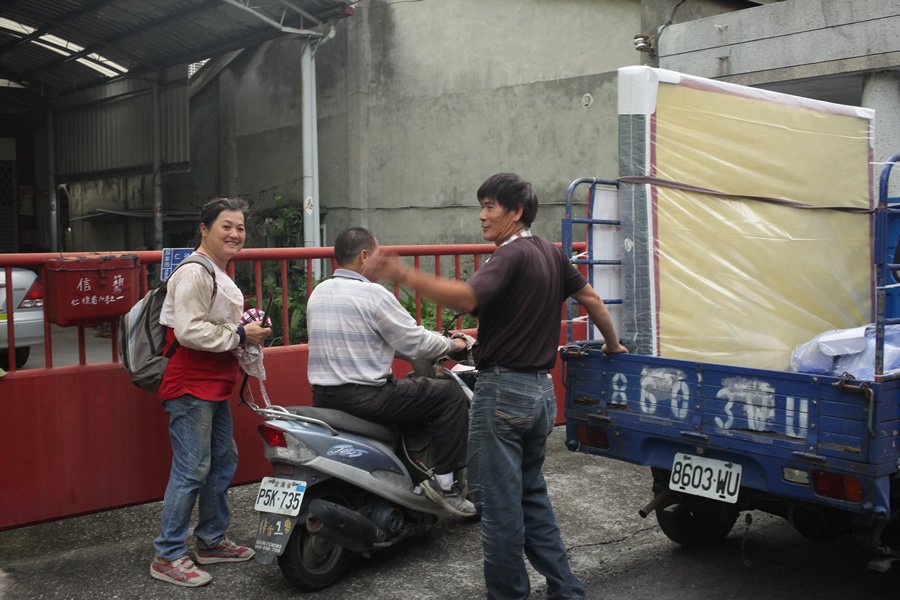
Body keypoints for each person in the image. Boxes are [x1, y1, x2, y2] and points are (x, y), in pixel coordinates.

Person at [364, 173, 628, 600]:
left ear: (515, 212)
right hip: (541, 393)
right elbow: (593, 301)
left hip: (503, 395)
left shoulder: (508, 255)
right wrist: (613, 345)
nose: (482, 216)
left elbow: (467, 299)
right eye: (481, 206)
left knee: (499, 509)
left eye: (490, 207)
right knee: (531, 497)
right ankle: (566, 590)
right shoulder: (552, 254)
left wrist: (400, 272)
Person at [306, 226, 476, 517]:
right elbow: (415, 340)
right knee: (448, 395)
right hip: (368, 398)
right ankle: (446, 485)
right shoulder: (372, 294)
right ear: (363, 256)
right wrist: (454, 343)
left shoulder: (319, 292)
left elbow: (364, 341)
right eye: (378, 254)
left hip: (324, 397)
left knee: (414, 397)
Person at [150, 197, 272, 588]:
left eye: (240, 227)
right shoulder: (194, 272)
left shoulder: (216, 271)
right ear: (204, 229)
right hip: (189, 386)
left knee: (221, 460)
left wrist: (246, 327)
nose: (235, 234)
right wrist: (240, 333)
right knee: (191, 469)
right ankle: (167, 554)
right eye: (226, 226)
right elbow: (189, 331)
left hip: (211, 386)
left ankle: (211, 539)